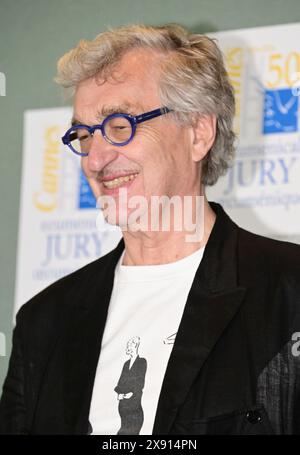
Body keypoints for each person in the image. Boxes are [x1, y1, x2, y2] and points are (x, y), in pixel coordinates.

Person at [0, 23, 300, 435]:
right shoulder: (43, 323)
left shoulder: (289, 293)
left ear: (198, 133)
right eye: (83, 135)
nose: (94, 159)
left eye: (119, 125)